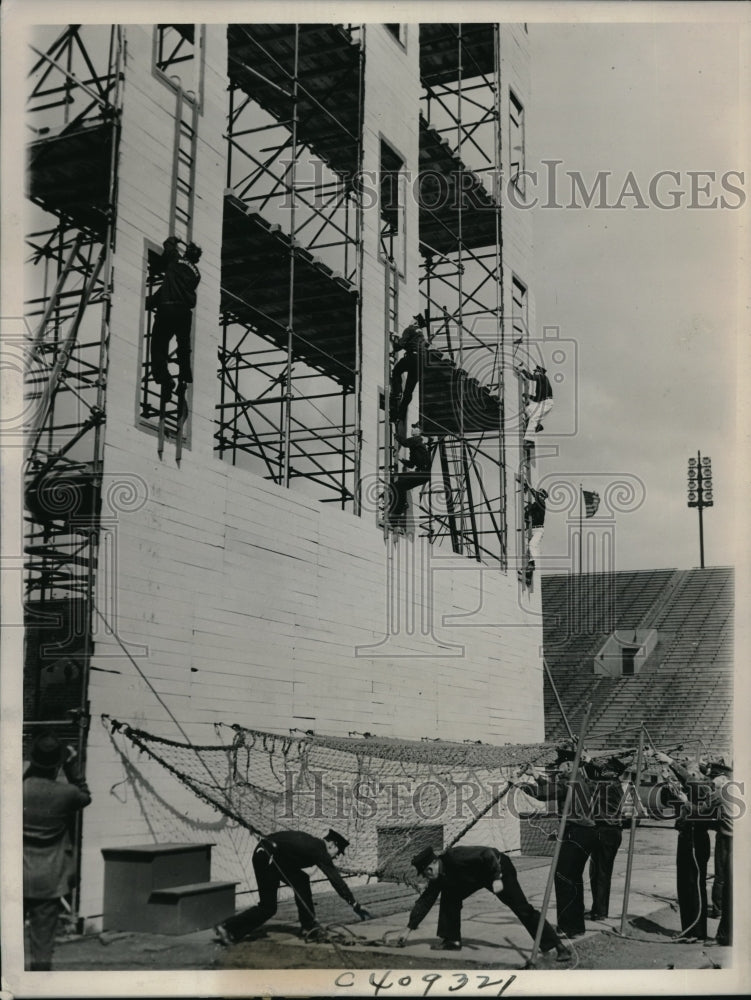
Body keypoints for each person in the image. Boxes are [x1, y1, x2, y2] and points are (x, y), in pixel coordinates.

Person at [397, 845, 572, 961]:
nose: (427, 876)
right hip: (477, 877)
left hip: (498, 868)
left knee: (522, 908)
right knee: (450, 896)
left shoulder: (455, 856)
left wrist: (496, 878)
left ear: (432, 864)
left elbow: (489, 854)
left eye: (427, 872)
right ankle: (451, 941)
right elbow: (425, 901)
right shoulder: (437, 877)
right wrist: (408, 929)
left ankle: (558, 947)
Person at [214, 829, 371, 945]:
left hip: (277, 858)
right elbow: (335, 880)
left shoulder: (314, 844)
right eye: (338, 852)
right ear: (331, 844)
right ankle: (228, 927)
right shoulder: (319, 849)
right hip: (267, 857)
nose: (337, 856)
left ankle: (308, 927)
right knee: (268, 908)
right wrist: (354, 904)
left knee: (301, 880)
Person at [23, 733, 92, 971]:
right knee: (42, 946)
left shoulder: (16, 790)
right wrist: (71, 766)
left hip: (14, 875)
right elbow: (85, 795)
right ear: (56, 763)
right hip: (49, 879)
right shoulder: (67, 794)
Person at [655, 751, 720, 942]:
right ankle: (689, 930)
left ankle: (696, 932)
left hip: (695, 839)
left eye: (690, 773)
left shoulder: (703, 787)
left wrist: (671, 762)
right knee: (684, 886)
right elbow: (678, 793)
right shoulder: (693, 790)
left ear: (698, 774)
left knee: (693, 885)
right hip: (685, 838)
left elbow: (690, 782)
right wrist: (669, 781)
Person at [149, 235, 202, 394]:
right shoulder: (197, 274)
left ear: (186, 253)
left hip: (167, 308)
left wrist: (175, 238)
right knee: (184, 348)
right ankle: (184, 378)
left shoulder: (175, 260)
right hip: (184, 313)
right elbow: (173, 287)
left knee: (158, 345)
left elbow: (168, 245)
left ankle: (165, 379)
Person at [586, 757, 626, 920]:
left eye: (606, 769)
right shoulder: (611, 783)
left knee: (601, 872)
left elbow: (588, 782)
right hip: (606, 830)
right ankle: (597, 908)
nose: (603, 771)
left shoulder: (609, 784)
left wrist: (586, 761)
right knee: (597, 872)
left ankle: (601, 911)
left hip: (607, 830)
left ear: (613, 772)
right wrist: (588, 761)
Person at [388, 424, 432, 528]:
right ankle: (401, 503)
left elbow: (405, 443)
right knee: (395, 478)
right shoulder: (416, 445)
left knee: (399, 485)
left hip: (422, 474)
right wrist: (400, 459)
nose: (412, 429)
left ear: (420, 431)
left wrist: (395, 433)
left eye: (415, 428)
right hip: (420, 473)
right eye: (412, 427)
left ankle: (398, 510)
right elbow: (412, 464)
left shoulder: (417, 440)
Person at [390, 317, 427, 425]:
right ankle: (400, 416)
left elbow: (399, 346)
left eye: (412, 319)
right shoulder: (421, 335)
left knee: (396, 371)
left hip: (412, 358)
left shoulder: (409, 329)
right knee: (408, 392)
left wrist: (394, 339)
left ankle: (396, 393)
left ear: (415, 322)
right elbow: (412, 344)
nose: (410, 320)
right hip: (421, 363)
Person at [516, 364, 553, 445]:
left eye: (535, 372)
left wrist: (522, 370)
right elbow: (537, 399)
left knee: (533, 419)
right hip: (542, 402)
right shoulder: (541, 382)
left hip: (546, 403)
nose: (534, 373)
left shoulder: (542, 377)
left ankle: (530, 441)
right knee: (527, 409)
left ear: (539, 372)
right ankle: (537, 426)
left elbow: (531, 377)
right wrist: (528, 396)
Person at [523, 484, 547, 578]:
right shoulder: (535, 505)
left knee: (532, 545)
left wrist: (528, 485)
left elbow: (535, 495)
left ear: (544, 497)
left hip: (538, 530)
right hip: (531, 529)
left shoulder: (542, 503)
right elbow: (527, 512)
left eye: (541, 495)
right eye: (539, 495)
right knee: (526, 547)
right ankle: (528, 568)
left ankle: (532, 564)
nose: (540, 496)